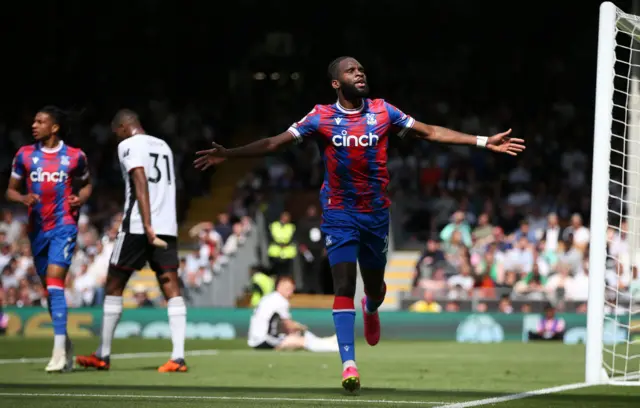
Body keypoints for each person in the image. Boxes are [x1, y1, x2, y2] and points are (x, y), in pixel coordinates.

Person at [193, 56, 526, 391]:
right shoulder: (320, 116)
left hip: (376, 215)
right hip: (339, 214)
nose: (359, 73)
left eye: (361, 69)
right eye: (351, 71)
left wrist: (483, 141)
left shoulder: (384, 112)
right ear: (336, 83)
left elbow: (430, 131)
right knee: (342, 285)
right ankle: (348, 364)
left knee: (375, 289)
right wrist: (232, 154)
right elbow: (275, 142)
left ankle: (372, 306)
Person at [75, 110, 187, 373]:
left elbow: (139, 178)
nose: (116, 138)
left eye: (116, 133)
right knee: (171, 286)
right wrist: (164, 221)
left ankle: (103, 354)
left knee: (114, 283)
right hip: (167, 226)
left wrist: (147, 223)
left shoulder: (129, 144)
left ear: (124, 127)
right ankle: (178, 357)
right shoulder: (163, 146)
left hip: (138, 225)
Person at [6, 106, 92, 372]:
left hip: (64, 226)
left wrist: (82, 197)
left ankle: (56, 353)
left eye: (40, 121)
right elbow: (10, 190)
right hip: (37, 230)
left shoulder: (75, 156)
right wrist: (22, 198)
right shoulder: (25, 155)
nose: (34, 125)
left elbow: (87, 183)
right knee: (48, 290)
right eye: (34, 120)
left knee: (56, 284)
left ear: (54, 128)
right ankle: (64, 344)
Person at [248, 276, 339, 353]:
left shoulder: (268, 298)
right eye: (288, 289)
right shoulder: (280, 300)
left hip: (255, 341)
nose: (290, 293)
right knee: (303, 341)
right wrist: (302, 327)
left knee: (298, 336)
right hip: (265, 341)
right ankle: (334, 347)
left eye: (291, 289)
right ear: (279, 286)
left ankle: (327, 341)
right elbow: (289, 325)